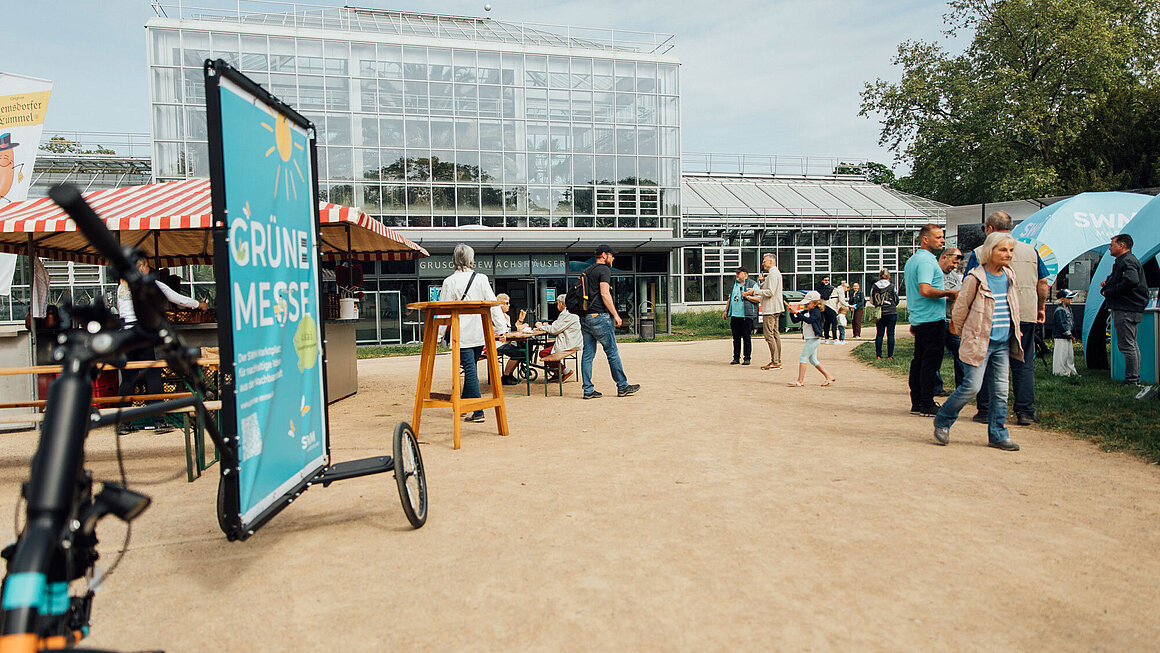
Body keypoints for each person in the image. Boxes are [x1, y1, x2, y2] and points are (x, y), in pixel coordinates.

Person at [932, 232, 1023, 452]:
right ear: (990, 251)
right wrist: (966, 337)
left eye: (1011, 250)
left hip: (1002, 343)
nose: (1008, 254)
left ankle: (998, 434)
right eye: (1003, 250)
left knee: (1001, 391)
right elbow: (960, 310)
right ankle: (943, 420)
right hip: (979, 342)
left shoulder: (1010, 275)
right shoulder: (975, 277)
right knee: (972, 386)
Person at [964, 211, 1050, 425]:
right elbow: (1042, 283)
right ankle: (1025, 411)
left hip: (993, 314)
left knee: (985, 359)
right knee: (1024, 361)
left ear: (989, 228)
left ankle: (984, 409)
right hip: (1025, 313)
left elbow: (969, 283)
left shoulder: (980, 251)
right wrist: (1040, 308)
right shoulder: (1031, 252)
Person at [116, 258, 207, 436]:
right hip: (142, 332)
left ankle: (124, 423)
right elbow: (177, 299)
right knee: (153, 373)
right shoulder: (152, 284)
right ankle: (159, 420)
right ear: (141, 267)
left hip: (125, 334)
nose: (149, 271)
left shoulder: (122, 286)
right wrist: (199, 305)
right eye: (148, 267)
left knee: (128, 378)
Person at [439, 243, 507, 423]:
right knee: (471, 367)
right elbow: (493, 305)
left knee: (469, 369)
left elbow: (442, 311)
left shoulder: (449, 282)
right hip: (479, 332)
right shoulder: (481, 279)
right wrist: (501, 328)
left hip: (459, 333)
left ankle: (478, 411)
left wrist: (438, 335)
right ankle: (464, 404)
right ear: (471, 259)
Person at [904, 224, 958, 417]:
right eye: (938, 237)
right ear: (925, 239)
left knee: (919, 360)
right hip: (931, 319)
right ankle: (926, 402)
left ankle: (918, 401)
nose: (942, 240)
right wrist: (949, 293)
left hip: (920, 317)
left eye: (942, 237)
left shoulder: (913, 260)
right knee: (929, 362)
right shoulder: (927, 262)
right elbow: (925, 290)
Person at [579, 244, 639, 399]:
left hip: (585, 317)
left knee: (587, 354)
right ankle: (623, 386)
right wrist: (616, 315)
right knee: (612, 351)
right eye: (612, 255)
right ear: (604, 255)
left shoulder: (587, 271)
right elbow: (605, 294)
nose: (613, 258)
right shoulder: (604, 270)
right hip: (599, 316)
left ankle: (588, 389)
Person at [1100, 233, 1149, 386]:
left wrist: (1109, 292)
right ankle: (1133, 377)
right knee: (1132, 344)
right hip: (1131, 307)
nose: (1109, 248)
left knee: (1127, 345)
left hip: (1126, 308)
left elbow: (1131, 280)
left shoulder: (1127, 261)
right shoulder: (1127, 261)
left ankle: (1131, 379)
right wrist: (1109, 283)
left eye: (1112, 244)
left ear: (1122, 245)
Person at [786, 291, 836, 387]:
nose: (805, 305)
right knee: (813, 360)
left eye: (807, 304)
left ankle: (800, 381)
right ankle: (829, 376)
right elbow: (795, 320)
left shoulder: (817, 312)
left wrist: (797, 313)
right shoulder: (806, 312)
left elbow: (809, 320)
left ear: (815, 303)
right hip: (809, 338)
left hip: (814, 338)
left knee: (803, 358)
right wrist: (792, 313)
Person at [933, 247, 965, 396]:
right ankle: (936, 387)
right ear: (944, 257)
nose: (954, 266)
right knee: (935, 354)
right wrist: (947, 295)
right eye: (953, 262)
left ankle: (962, 386)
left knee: (960, 352)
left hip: (952, 321)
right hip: (937, 319)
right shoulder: (934, 272)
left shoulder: (955, 276)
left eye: (957, 264)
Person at [534, 292, 582, 383]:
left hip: (569, 343)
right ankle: (556, 373)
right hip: (571, 341)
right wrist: (547, 325)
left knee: (543, 353)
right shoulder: (572, 312)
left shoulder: (566, 314)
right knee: (547, 345)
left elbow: (554, 330)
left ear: (560, 303)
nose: (557, 305)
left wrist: (540, 326)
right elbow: (558, 326)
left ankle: (565, 371)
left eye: (557, 303)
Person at [722, 267, 759, 365]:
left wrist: (747, 296)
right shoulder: (735, 284)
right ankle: (736, 357)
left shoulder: (752, 284)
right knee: (736, 337)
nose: (737, 275)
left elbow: (759, 299)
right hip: (735, 315)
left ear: (745, 274)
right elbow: (730, 298)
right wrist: (726, 311)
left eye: (739, 273)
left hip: (746, 315)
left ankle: (747, 358)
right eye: (736, 273)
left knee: (746, 337)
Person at [755, 253, 784, 370]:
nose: (763, 263)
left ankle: (775, 360)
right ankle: (777, 360)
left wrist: (755, 291)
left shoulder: (772, 274)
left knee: (769, 335)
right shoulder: (774, 273)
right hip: (776, 308)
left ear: (770, 262)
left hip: (770, 309)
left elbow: (770, 292)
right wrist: (762, 283)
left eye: (764, 261)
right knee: (775, 334)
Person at [870, 269, 898, 359]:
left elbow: (871, 300)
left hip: (880, 312)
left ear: (879, 276)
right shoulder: (892, 286)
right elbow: (896, 299)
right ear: (888, 276)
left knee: (879, 334)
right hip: (891, 311)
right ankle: (890, 355)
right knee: (890, 334)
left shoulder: (875, 286)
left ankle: (878, 355)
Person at [1052, 289, 1079, 377]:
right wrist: (1068, 333)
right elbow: (1061, 324)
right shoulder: (1060, 310)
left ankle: (1070, 371)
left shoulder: (1068, 309)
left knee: (1069, 355)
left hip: (1067, 336)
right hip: (1061, 336)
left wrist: (1072, 333)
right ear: (1062, 299)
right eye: (1069, 298)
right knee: (1061, 355)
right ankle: (1059, 371)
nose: (1071, 300)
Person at [816, 276, 837, 343]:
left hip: (823, 305)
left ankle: (827, 337)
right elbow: (826, 296)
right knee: (833, 321)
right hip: (828, 305)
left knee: (827, 322)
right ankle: (834, 338)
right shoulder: (830, 288)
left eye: (828, 280)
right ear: (822, 280)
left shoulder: (820, 288)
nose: (827, 281)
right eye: (825, 280)